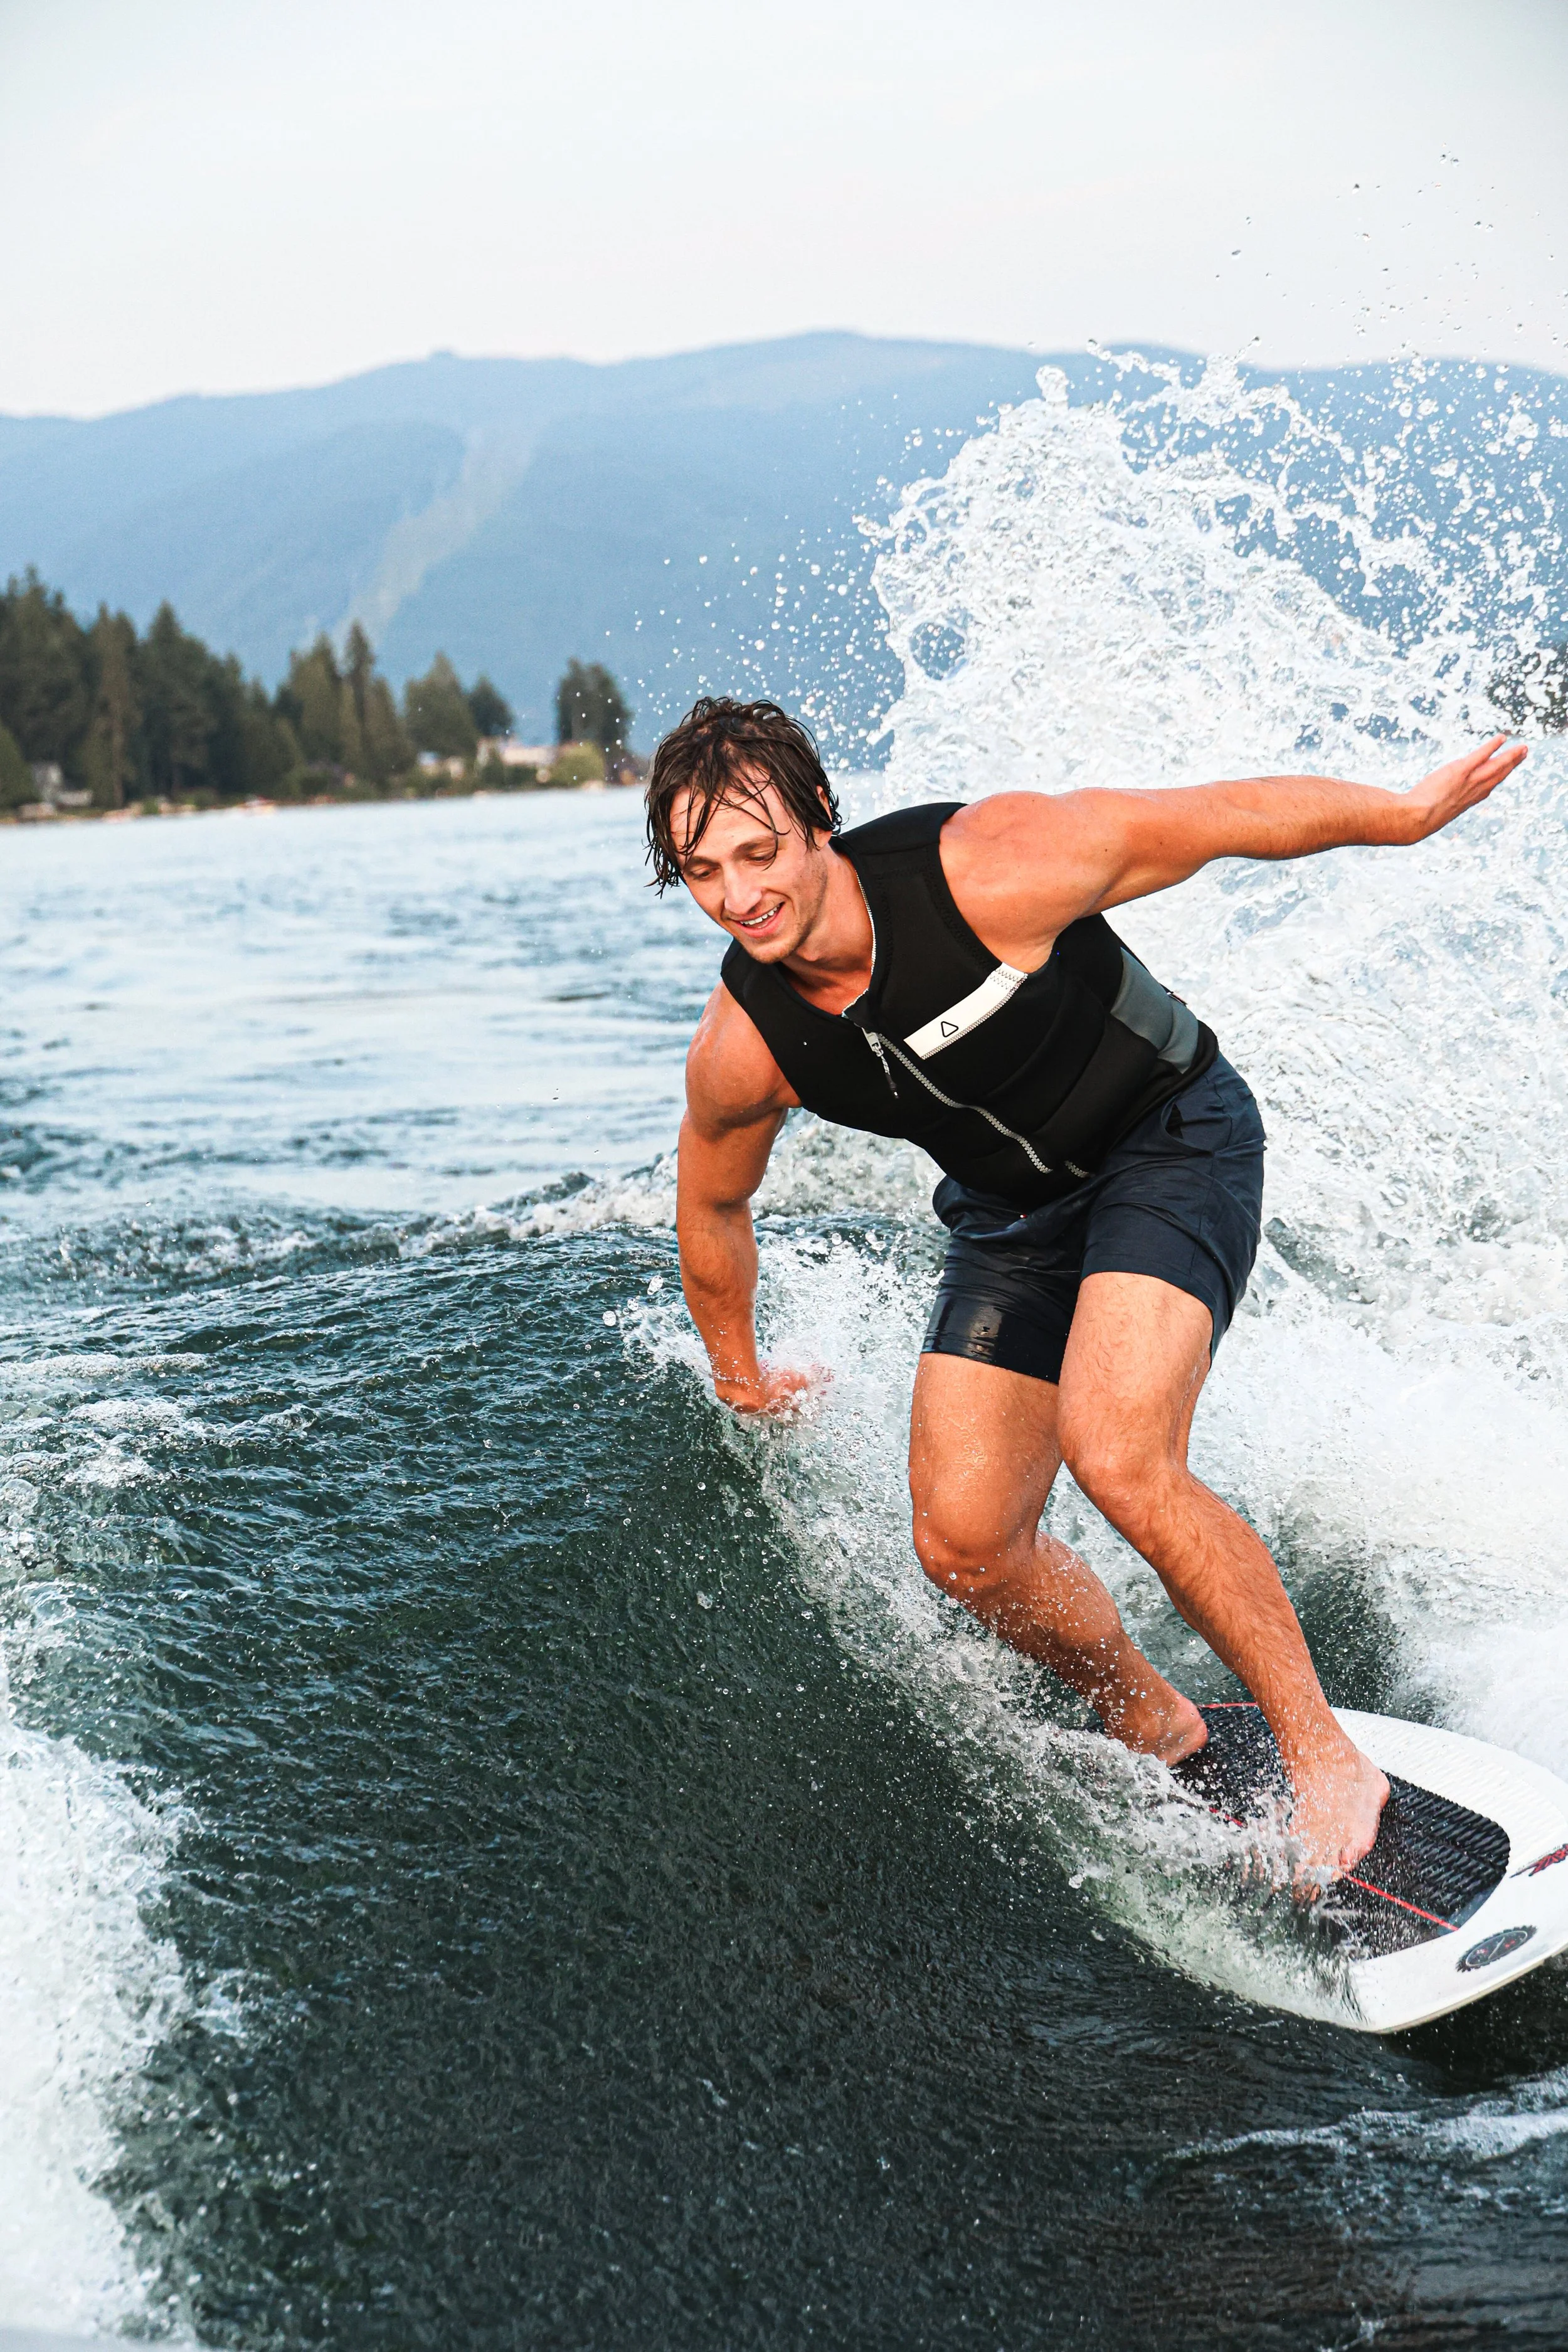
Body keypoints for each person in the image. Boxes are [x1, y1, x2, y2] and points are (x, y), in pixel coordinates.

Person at [646, 697, 1526, 1876]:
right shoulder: (747, 1041)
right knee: (963, 1543)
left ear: (817, 823)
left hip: (1171, 1136)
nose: (738, 892)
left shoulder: (987, 872)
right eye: (704, 871)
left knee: (1117, 1452)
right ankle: (1154, 1717)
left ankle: (1328, 1760)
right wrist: (740, 1372)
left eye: (758, 851)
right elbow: (711, 1201)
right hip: (1016, 1218)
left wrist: (1405, 814)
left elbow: (1212, 820)